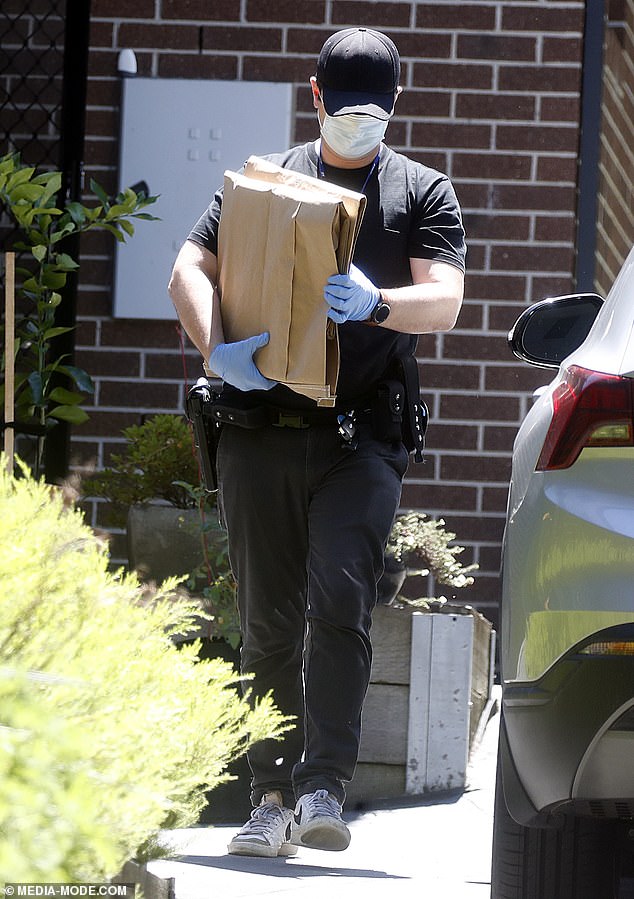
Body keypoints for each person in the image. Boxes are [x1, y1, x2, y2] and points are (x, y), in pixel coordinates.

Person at [168, 26, 466, 858]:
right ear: (316, 96)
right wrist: (215, 348)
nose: (357, 122)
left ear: (395, 107)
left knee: (340, 594)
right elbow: (187, 268)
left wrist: (378, 303)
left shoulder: (420, 191)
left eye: (374, 110)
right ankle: (267, 795)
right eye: (345, 106)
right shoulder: (266, 184)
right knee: (266, 617)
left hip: (360, 433)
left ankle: (325, 782)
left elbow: (443, 300)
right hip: (259, 425)